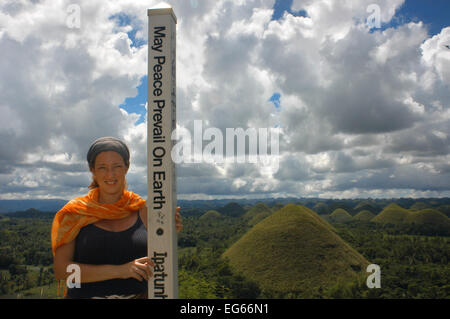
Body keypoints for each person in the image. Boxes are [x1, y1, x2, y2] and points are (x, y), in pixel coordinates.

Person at [51, 137, 182, 299]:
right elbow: (62, 271)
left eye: (117, 166)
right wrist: (121, 270)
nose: (110, 174)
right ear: (92, 170)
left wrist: (168, 231)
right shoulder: (75, 213)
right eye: (102, 167)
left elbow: (159, 258)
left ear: (127, 167)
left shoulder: (142, 210)